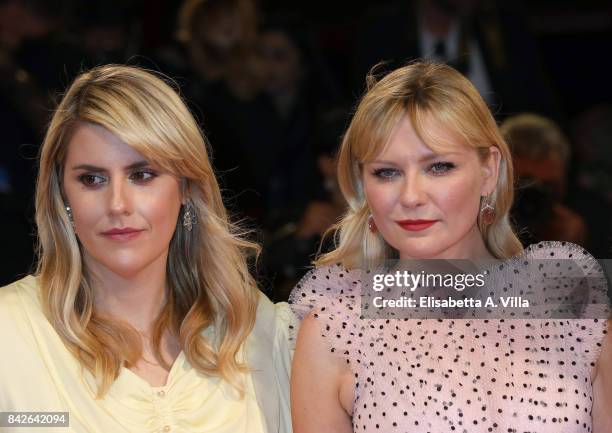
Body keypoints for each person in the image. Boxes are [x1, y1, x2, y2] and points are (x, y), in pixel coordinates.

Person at [289, 61, 612, 433]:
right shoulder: (335, 327)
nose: (410, 196)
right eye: (387, 172)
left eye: (439, 167)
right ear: (364, 187)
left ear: (488, 171)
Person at [0, 65, 296, 433]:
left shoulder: (258, 331)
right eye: (92, 179)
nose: (118, 204)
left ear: (187, 188)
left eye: (142, 175)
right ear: (62, 194)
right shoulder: (9, 332)